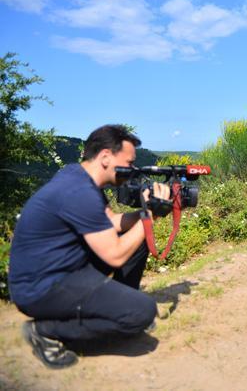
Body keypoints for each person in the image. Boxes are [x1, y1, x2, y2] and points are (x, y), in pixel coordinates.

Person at [9, 125, 171, 369]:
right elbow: (115, 256)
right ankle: (45, 330)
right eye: (128, 163)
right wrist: (150, 216)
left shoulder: (80, 177)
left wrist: (144, 213)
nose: (132, 170)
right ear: (105, 157)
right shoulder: (79, 191)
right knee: (142, 312)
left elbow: (112, 223)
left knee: (134, 239)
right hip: (40, 288)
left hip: (62, 267)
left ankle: (119, 304)